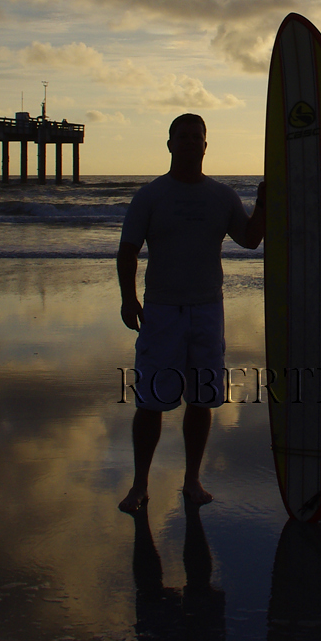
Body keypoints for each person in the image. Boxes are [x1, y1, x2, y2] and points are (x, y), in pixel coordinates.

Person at [117, 113, 265, 512]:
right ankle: (139, 485)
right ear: (169, 144)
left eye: (195, 137)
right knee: (150, 401)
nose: (188, 142)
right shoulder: (150, 196)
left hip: (206, 309)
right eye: (180, 136)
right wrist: (128, 299)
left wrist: (266, 203)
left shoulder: (221, 196)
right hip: (161, 310)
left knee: (202, 400)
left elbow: (249, 240)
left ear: (205, 145)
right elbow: (128, 250)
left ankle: (191, 480)